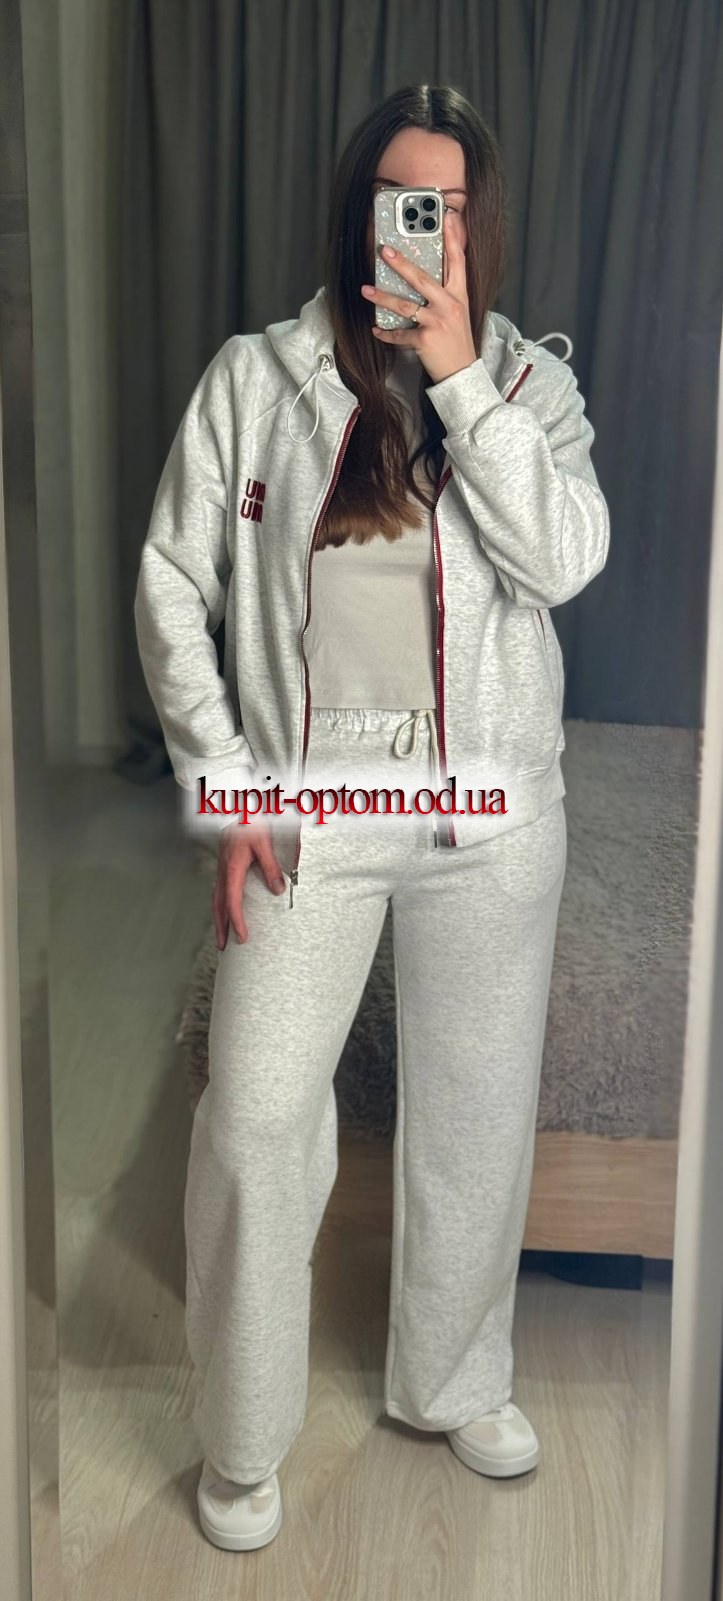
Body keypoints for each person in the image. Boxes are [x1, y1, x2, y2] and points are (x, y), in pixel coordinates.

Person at [134, 83, 610, 1552]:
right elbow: (173, 584)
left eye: (447, 210)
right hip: (315, 801)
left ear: (479, 227)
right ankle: (241, 1434)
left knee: (476, 1111)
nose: (423, 232)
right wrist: (227, 783)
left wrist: (460, 379)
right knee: (253, 1114)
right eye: (402, 203)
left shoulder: (531, 390)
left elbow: (565, 560)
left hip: (488, 811)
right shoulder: (257, 379)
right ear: (357, 215)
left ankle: (454, 1379)